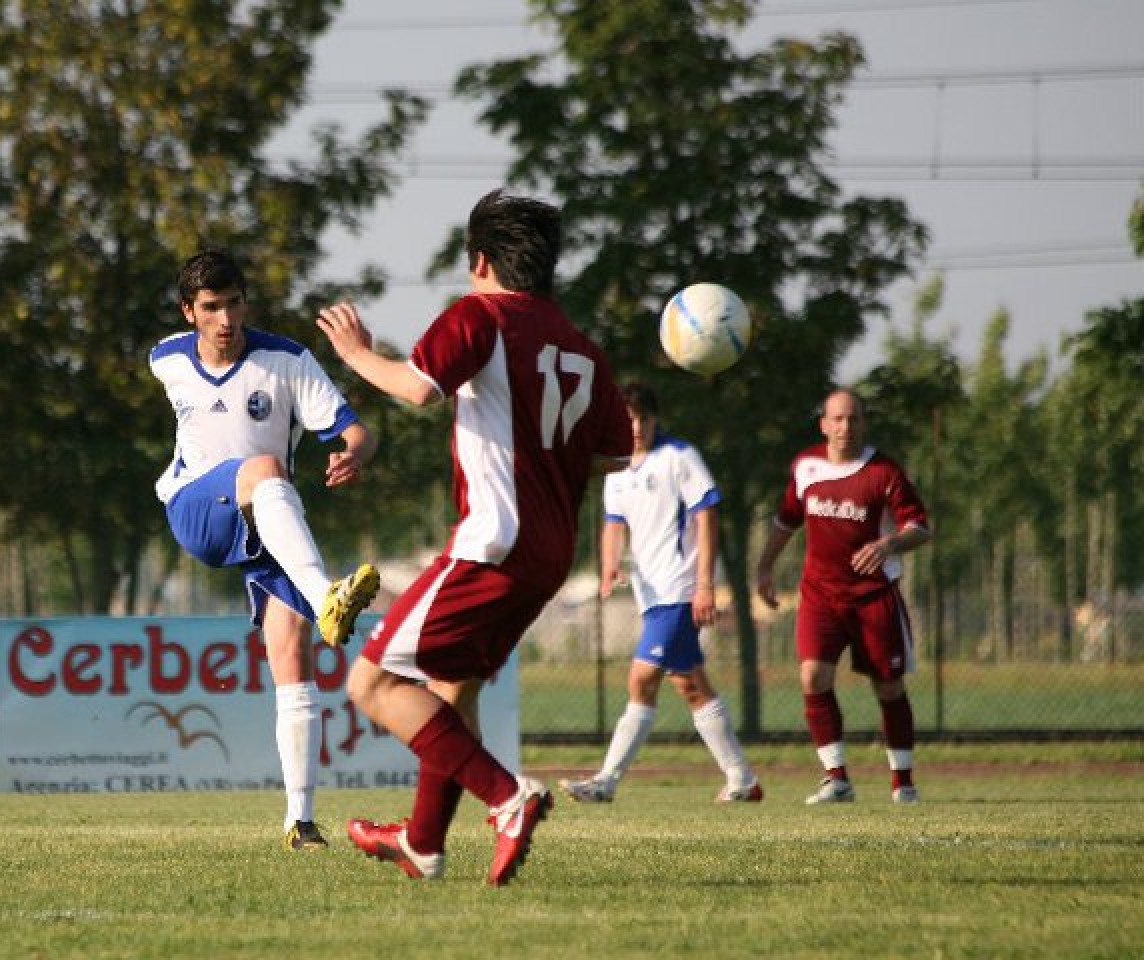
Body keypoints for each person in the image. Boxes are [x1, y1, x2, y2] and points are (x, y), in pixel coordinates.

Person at [315, 189, 633, 886]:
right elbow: (618, 453)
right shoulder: (582, 348)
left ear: (480, 260)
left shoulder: (480, 314)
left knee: (370, 680)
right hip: (549, 555)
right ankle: (423, 845)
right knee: (453, 688)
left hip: (493, 539)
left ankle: (508, 797)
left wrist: (357, 352)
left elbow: (418, 388)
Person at [150, 250, 382, 850]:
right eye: (210, 307)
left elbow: (356, 429)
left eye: (233, 303)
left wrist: (355, 451)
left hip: (268, 515)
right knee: (262, 466)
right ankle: (325, 593)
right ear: (189, 312)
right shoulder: (167, 358)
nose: (224, 318)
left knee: (293, 657)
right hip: (197, 510)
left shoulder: (287, 361)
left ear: (245, 301)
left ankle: (300, 823)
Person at [559, 381, 763, 805]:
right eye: (627, 419)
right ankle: (742, 777)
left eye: (641, 419)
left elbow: (708, 515)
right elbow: (614, 523)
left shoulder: (679, 457)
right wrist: (609, 566)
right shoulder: (616, 470)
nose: (634, 427)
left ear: (654, 420)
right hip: (649, 595)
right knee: (691, 686)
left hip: (679, 589)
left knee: (641, 678)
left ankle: (606, 781)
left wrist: (705, 584)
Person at [755, 387, 931, 805]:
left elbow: (920, 527)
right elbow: (786, 519)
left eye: (853, 419)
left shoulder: (883, 472)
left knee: (888, 687)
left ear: (863, 424)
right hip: (821, 596)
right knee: (813, 676)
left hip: (874, 596)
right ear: (823, 424)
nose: (845, 427)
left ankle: (902, 782)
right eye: (837, 419)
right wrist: (764, 567)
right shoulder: (806, 466)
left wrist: (888, 546)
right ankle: (836, 777)